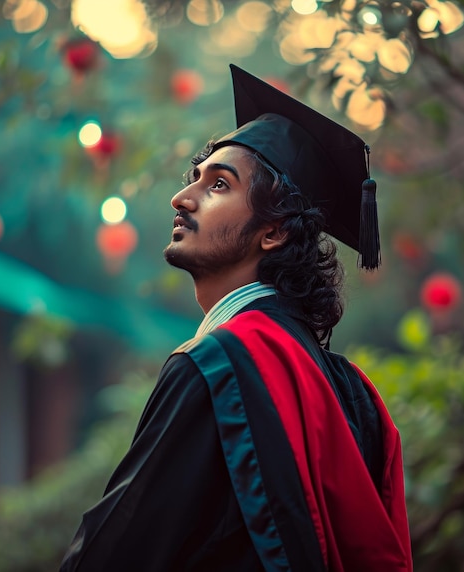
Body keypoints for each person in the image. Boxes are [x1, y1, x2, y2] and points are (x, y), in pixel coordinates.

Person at [60, 64, 412, 572]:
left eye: (219, 185)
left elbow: (114, 552)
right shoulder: (354, 393)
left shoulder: (214, 367)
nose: (182, 198)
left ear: (272, 232)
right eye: (194, 180)